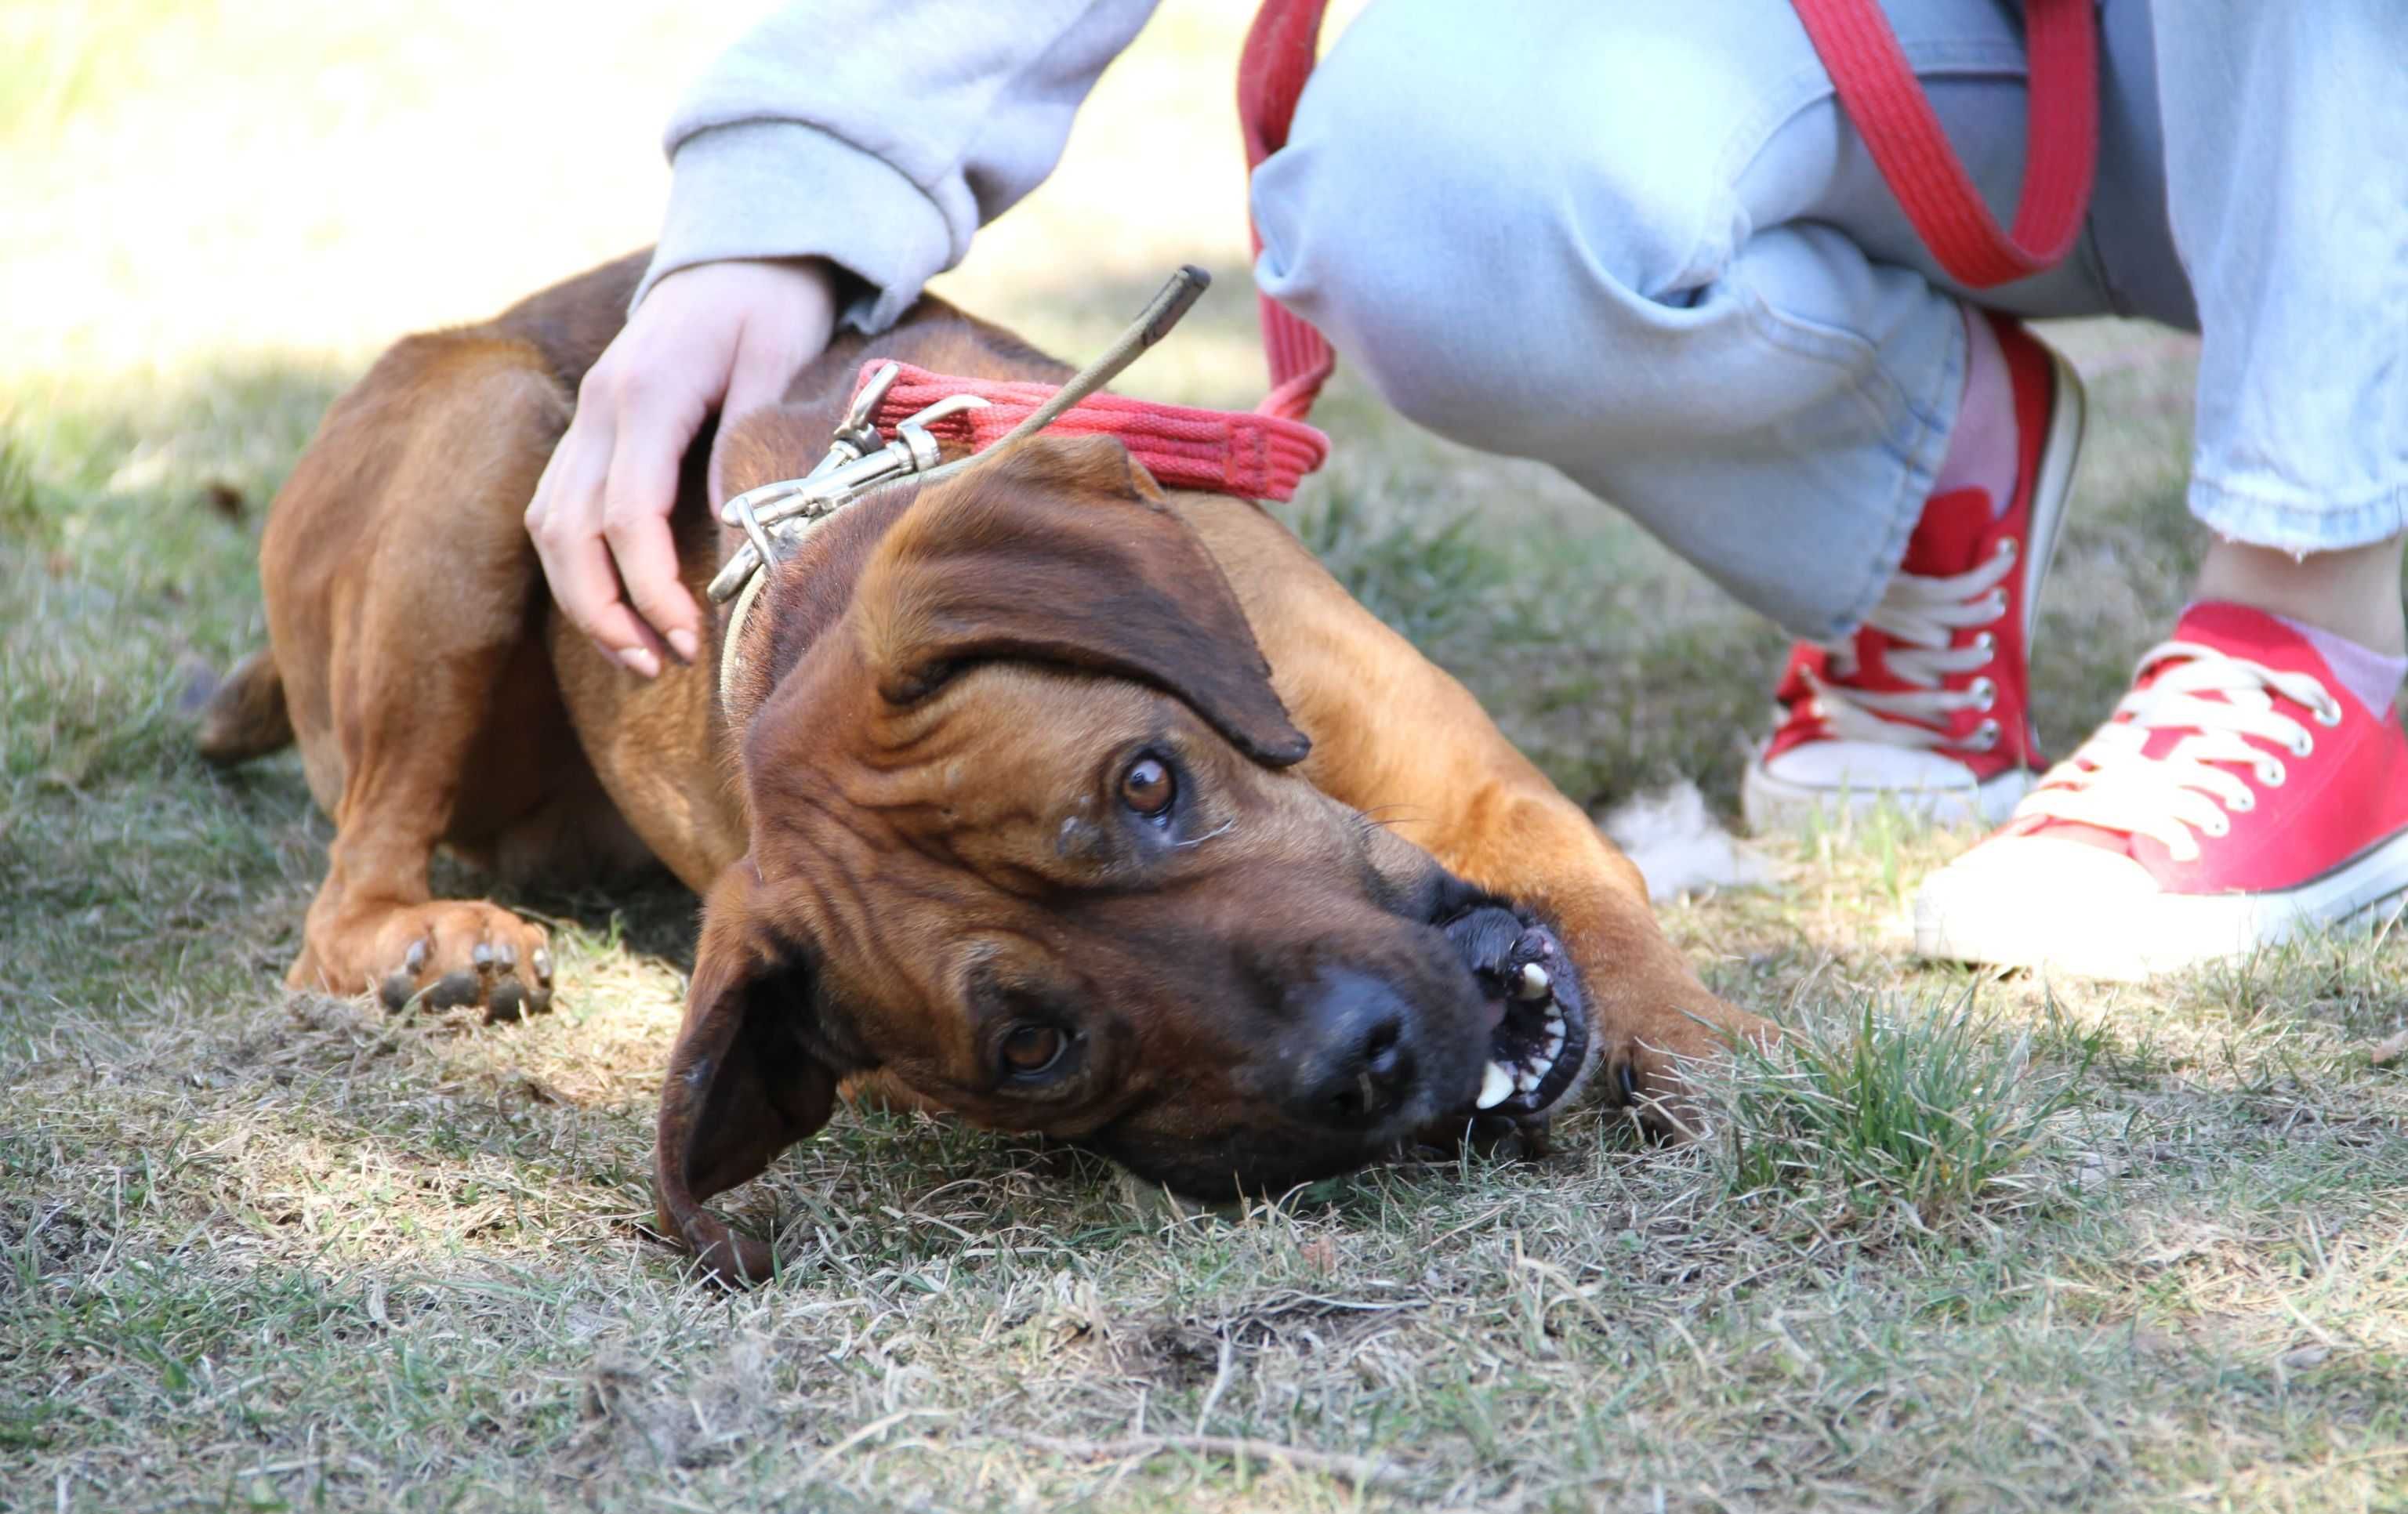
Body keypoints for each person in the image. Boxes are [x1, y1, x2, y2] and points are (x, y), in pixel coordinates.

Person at [523, 0, 2408, 980]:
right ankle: (1932, 483)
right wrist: (780, 218)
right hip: (1960, 67)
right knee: (1435, 186)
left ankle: (2325, 606)